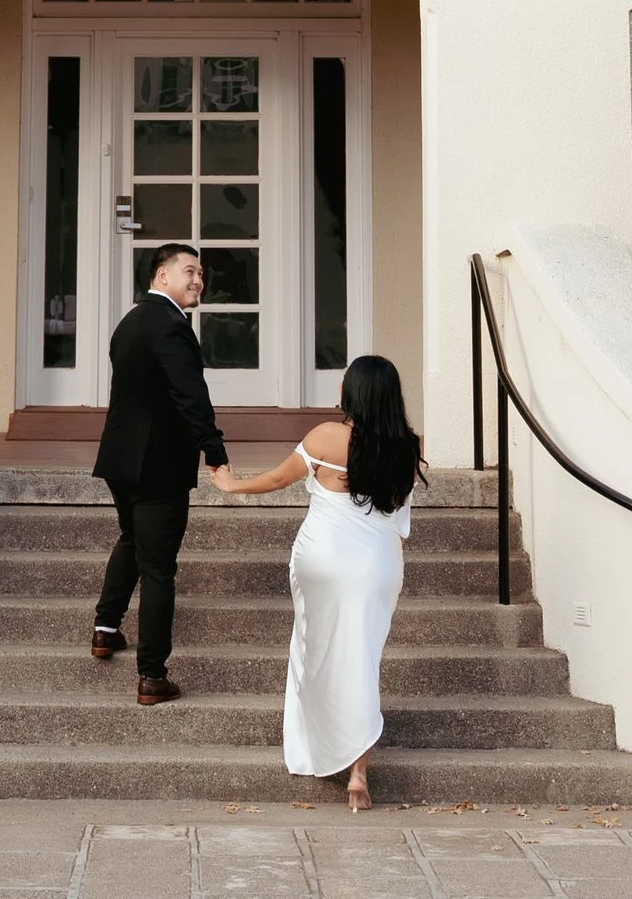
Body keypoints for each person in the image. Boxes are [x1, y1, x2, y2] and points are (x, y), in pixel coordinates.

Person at [209, 353, 422, 810]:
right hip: (377, 567)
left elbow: (275, 479)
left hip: (322, 560)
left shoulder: (327, 436)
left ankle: (319, 746)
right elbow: (399, 524)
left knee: (315, 650)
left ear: (354, 393)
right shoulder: (408, 447)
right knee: (361, 659)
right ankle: (358, 775)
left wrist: (232, 485)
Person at [91, 244, 228, 706]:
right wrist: (215, 451)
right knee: (158, 570)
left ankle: (105, 629)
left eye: (202, 273)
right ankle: (152, 675)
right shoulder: (171, 327)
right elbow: (191, 395)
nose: (198, 281)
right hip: (158, 465)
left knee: (131, 538)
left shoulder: (129, 323)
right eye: (189, 271)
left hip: (119, 458)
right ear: (162, 275)